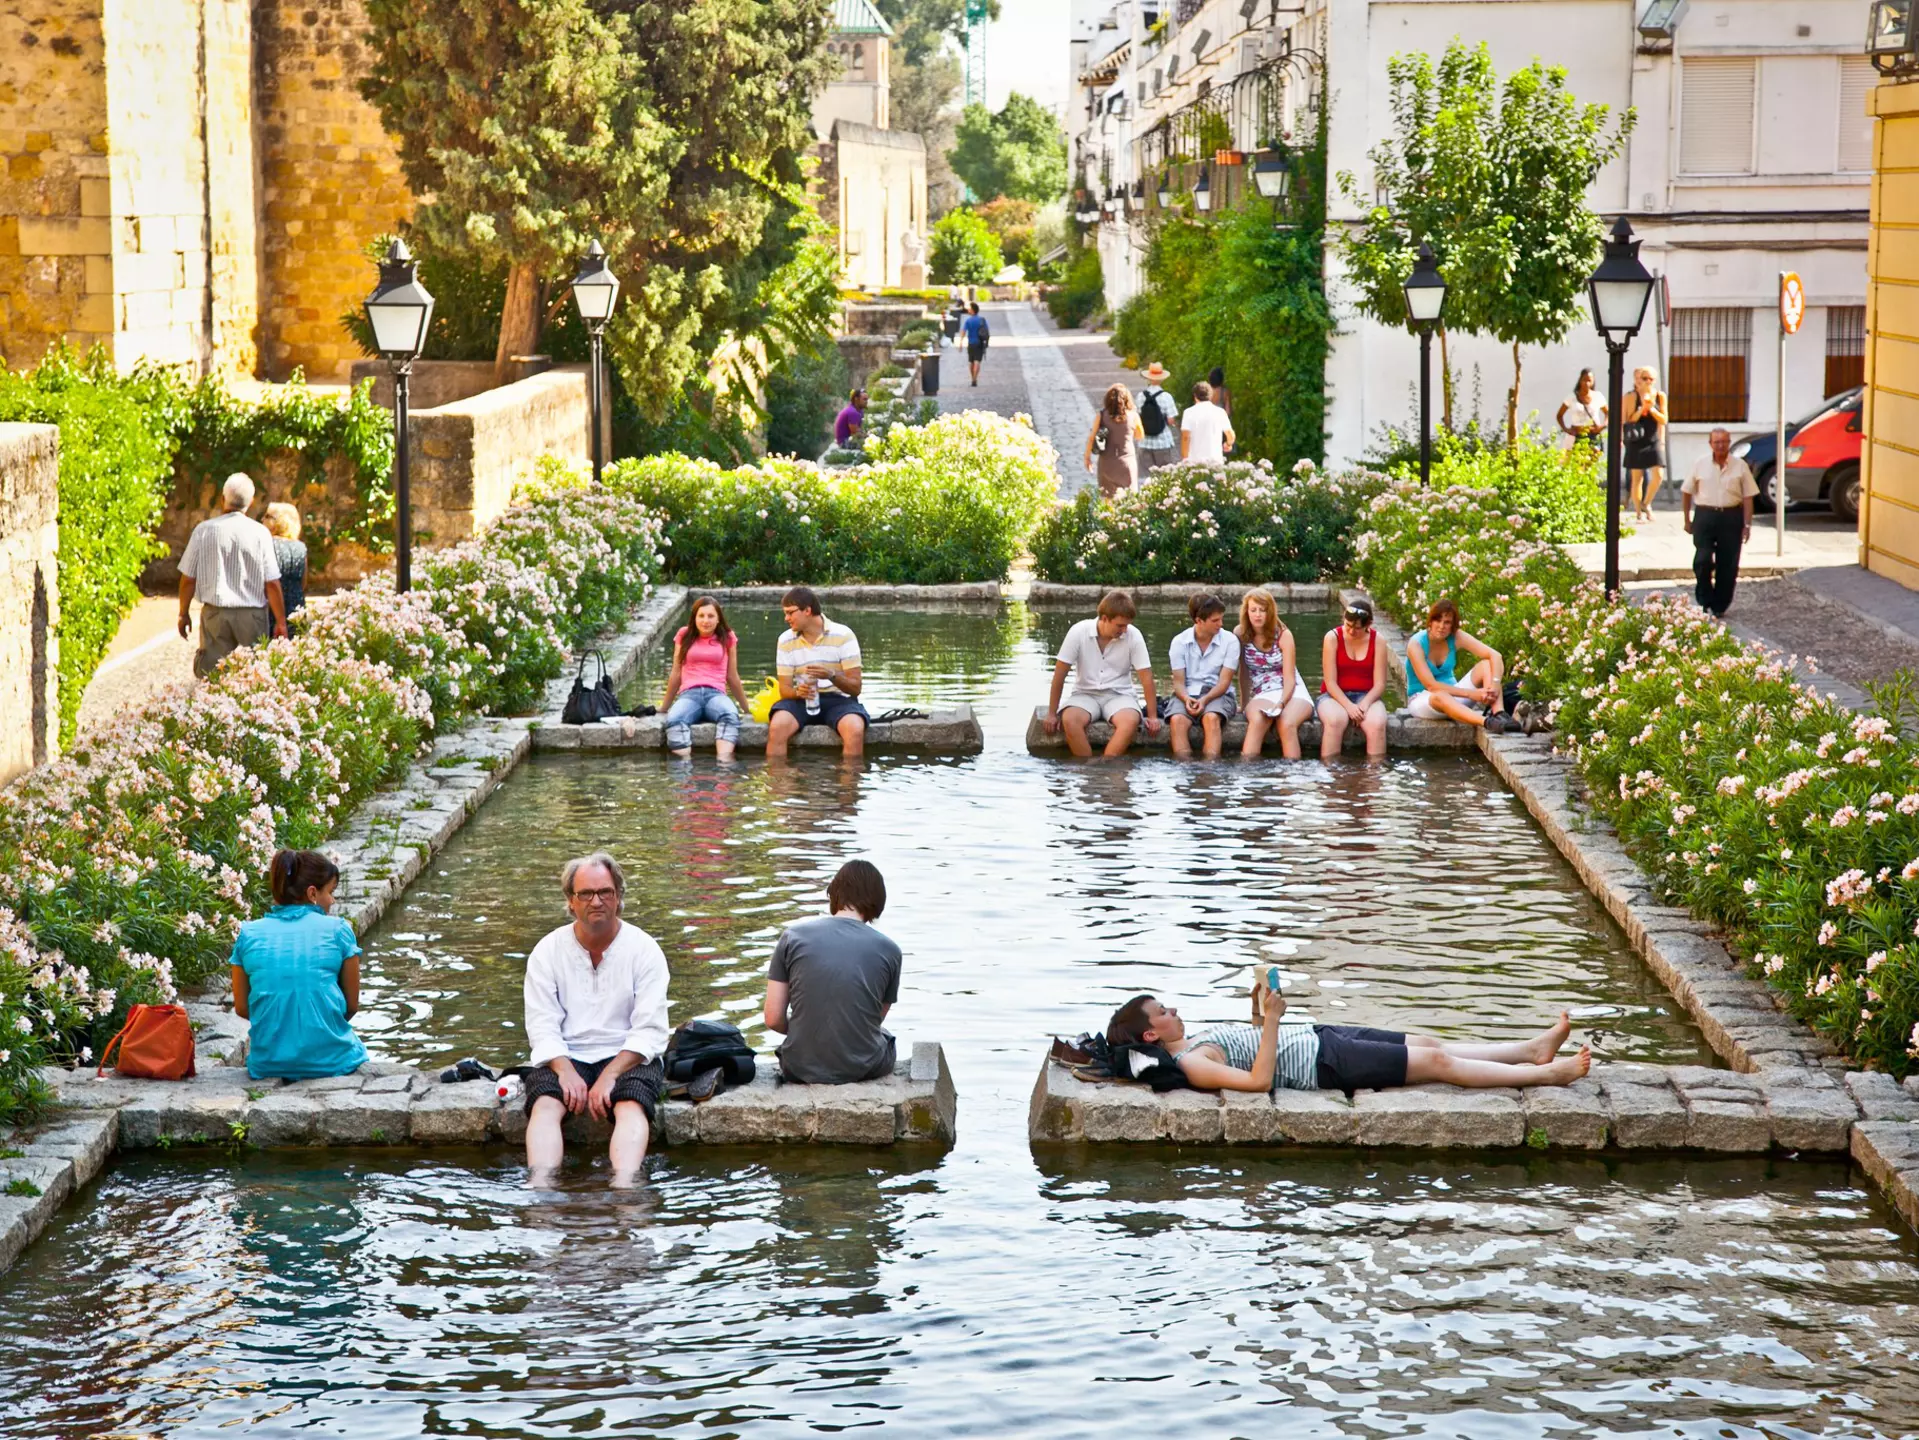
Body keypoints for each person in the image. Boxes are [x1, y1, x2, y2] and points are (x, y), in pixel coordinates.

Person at [1106, 982, 1590, 1096]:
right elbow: (1257, 1081)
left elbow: (1252, 1048)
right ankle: (1546, 1074)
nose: (1175, 1011)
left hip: (1320, 1036)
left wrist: (1259, 1014)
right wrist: (1272, 1022)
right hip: (1326, 1064)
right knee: (1437, 1063)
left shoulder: (1195, 1043)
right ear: (1151, 1032)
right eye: (1164, 1012)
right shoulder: (1191, 1064)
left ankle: (1530, 1051)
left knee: (1424, 1041)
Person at [522, 852, 670, 1188]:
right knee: (545, 1104)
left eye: (605, 892)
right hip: (567, 1055)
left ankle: (625, 1186)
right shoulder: (548, 951)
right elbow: (542, 1024)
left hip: (626, 1054)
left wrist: (610, 1075)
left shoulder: (644, 950)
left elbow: (649, 1030)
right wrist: (564, 1069)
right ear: (571, 902)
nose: (596, 901)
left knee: (631, 1103)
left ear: (618, 897)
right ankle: (540, 1186)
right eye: (586, 894)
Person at [229, 849, 367, 1082]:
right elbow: (351, 1005)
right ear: (312, 893)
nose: (332, 901)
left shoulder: (248, 934)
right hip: (333, 1061)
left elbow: (242, 1007)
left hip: (268, 1063)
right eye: (330, 892)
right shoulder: (339, 931)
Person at [762, 860, 902, 1084]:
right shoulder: (890, 950)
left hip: (798, 1066)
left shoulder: (792, 937)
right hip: (862, 1067)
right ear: (878, 902)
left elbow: (773, 1018)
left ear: (834, 894)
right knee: (885, 1036)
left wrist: (806, 1033)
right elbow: (873, 1021)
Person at [178, 472, 287, 678]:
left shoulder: (204, 531)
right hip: (252, 616)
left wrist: (183, 613)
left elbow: (188, 578)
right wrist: (281, 622)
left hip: (216, 615)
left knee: (213, 678)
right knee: (253, 680)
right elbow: (272, 583)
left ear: (222, 499)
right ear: (251, 502)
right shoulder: (260, 533)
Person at [1043, 588, 1162, 758]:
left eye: (1127, 625)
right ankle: (1088, 767)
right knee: (1069, 720)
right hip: (1084, 694)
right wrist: (1051, 714)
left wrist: (1152, 717)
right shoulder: (1078, 632)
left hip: (1120, 695)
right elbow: (1059, 675)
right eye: (1120, 625)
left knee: (1130, 721)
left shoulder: (1134, 636)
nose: (1125, 630)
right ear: (1105, 619)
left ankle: (1103, 766)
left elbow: (1147, 678)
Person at [767, 586, 869, 759]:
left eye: (790, 613)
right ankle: (780, 784)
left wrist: (831, 676)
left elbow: (855, 688)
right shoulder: (785, 640)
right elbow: (784, 690)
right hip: (802, 700)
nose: (786, 618)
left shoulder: (843, 635)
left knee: (855, 729)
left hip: (839, 700)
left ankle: (849, 785)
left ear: (807, 610)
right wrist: (798, 692)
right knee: (777, 726)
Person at [1681, 426, 1759, 618]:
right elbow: (1687, 491)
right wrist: (1686, 519)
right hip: (1705, 516)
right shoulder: (1700, 464)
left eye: (1724, 442)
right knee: (1702, 559)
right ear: (1710, 444)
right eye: (1717, 442)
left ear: (1729, 443)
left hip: (1731, 516)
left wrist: (1747, 525)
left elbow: (1748, 496)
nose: (1721, 446)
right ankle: (1704, 598)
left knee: (1728, 563)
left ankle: (1720, 605)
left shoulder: (1740, 466)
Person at [661, 595, 750, 760]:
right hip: (689, 695)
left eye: (711, 616)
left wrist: (746, 709)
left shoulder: (728, 637)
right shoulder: (684, 634)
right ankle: (683, 770)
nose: (705, 620)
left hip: (715, 695)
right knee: (674, 719)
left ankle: (723, 766)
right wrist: (664, 708)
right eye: (701, 616)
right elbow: (676, 673)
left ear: (718, 619)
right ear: (694, 618)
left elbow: (732, 676)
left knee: (730, 715)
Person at [1406, 598, 1513, 731]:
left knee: (1486, 665)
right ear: (1430, 621)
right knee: (1440, 695)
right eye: (1437, 620)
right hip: (1424, 701)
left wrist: (1496, 683)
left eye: (1447, 622)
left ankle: (1499, 714)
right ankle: (1488, 722)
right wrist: (1471, 694)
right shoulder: (1416, 644)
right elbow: (1431, 686)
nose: (1441, 626)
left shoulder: (1456, 637)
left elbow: (1495, 656)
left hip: (1455, 698)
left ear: (1453, 625)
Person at [1235, 587, 1314, 759]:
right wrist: (1243, 704)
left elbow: (1290, 678)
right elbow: (1243, 673)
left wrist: (1280, 704)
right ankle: (1247, 773)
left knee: (1286, 723)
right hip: (1262, 690)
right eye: (1253, 610)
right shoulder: (1240, 634)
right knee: (1258, 721)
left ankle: (1292, 775)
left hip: (1291, 690)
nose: (1258, 615)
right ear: (1246, 611)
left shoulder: (1284, 635)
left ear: (1270, 612)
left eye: (1262, 610)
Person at [1166, 592, 1239, 760]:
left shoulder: (1230, 641)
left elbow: (1224, 682)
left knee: (1211, 718)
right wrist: (1186, 699)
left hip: (1218, 692)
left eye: (1221, 618)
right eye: (1215, 620)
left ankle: (1209, 770)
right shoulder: (1179, 642)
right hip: (1187, 692)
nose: (1220, 624)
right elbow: (1178, 683)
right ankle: (1184, 768)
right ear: (1198, 621)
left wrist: (1204, 700)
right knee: (1177, 720)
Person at [1317, 597, 1389, 759]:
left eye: (1356, 628)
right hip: (1333, 695)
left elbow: (1380, 684)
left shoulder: (1378, 641)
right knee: (1336, 721)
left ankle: (1373, 775)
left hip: (1367, 695)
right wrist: (1349, 707)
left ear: (1368, 625)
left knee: (1376, 724)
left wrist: (1363, 705)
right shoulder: (1332, 637)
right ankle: (1331, 772)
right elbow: (1330, 682)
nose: (1350, 631)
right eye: (1347, 626)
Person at [1623, 366, 1669, 521]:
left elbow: (1664, 419)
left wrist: (1652, 410)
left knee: (1659, 474)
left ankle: (1646, 503)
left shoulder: (1660, 396)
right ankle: (1638, 512)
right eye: (1644, 378)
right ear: (1638, 380)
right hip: (1637, 439)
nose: (1648, 382)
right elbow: (1629, 420)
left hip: (1653, 438)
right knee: (1637, 477)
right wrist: (1642, 408)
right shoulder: (1631, 396)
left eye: (1651, 379)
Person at [1084, 384, 1143, 498]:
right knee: (1129, 499)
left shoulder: (1101, 415)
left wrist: (1087, 457)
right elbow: (1139, 435)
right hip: (1127, 462)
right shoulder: (1133, 415)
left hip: (1106, 462)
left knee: (1107, 500)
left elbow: (1092, 438)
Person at [262, 502, 308, 620]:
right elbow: (303, 581)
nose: (262, 519)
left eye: (267, 516)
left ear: (279, 521)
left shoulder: (267, 544)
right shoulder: (300, 547)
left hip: (273, 607)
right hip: (296, 606)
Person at [1136, 363, 1180, 477]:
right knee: (1165, 476)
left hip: (1144, 442)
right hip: (1163, 441)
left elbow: (1137, 417)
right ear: (1162, 379)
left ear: (1148, 378)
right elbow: (1170, 420)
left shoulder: (1140, 396)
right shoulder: (1166, 397)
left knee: (1147, 477)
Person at [1180, 380, 1235, 465]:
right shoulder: (1220, 412)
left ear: (1195, 396)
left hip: (1194, 462)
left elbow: (1185, 437)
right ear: (1211, 395)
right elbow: (1230, 435)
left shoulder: (1188, 412)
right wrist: (1228, 444)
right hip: (1215, 460)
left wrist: (1184, 458)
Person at [1556, 369, 1606, 453]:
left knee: (1593, 457)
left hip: (1593, 434)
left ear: (1593, 381)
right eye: (1584, 380)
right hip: (1577, 434)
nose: (1587, 383)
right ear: (1580, 380)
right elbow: (1559, 415)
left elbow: (1608, 413)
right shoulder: (1572, 397)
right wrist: (1566, 429)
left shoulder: (1598, 396)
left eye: (1589, 380)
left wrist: (1603, 425)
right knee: (1577, 462)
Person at [962, 302, 989, 386]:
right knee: (977, 361)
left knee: (971, 362)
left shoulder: (968, 321)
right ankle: (975, 378)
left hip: (971, 343)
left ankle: (972, 378)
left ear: (973, 310)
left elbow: (963, 331)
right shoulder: (982, 320)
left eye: (970, 309)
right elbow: (987, 331)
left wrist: (960, 342)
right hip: (979, 343)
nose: (968, 310)